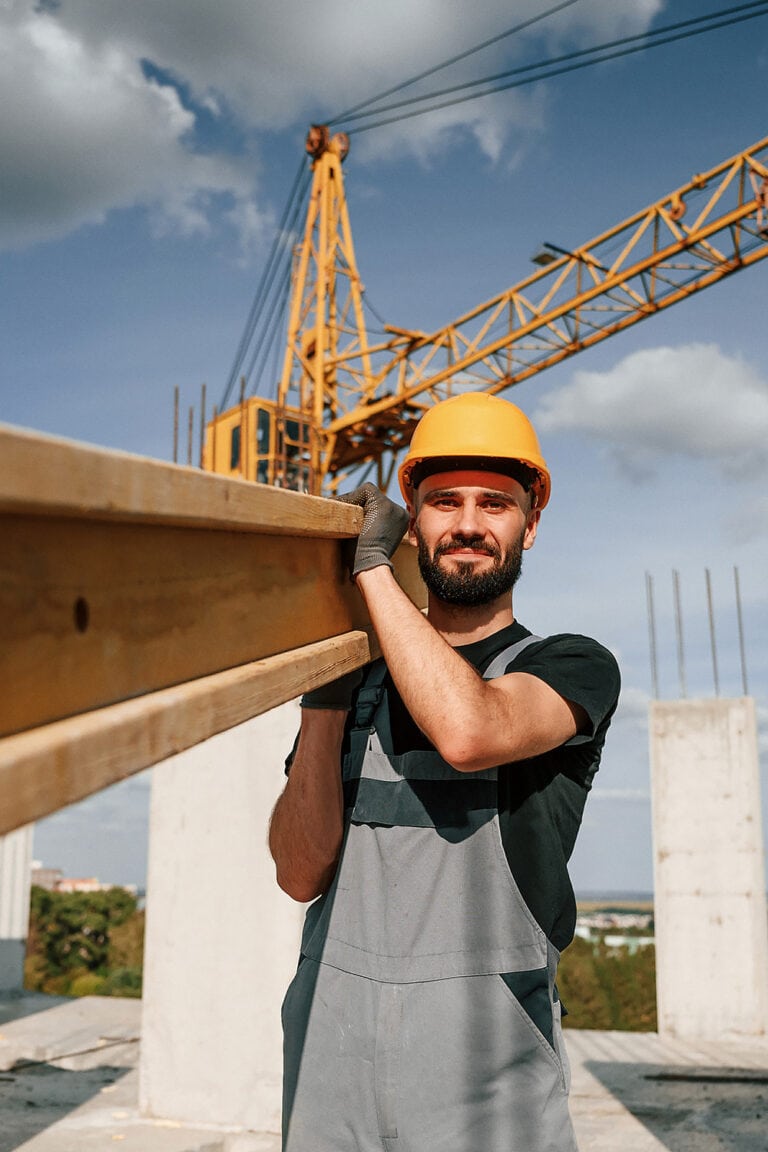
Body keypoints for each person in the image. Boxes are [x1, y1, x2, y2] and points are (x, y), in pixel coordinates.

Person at [269, 392, 620, 1152]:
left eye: (495, 504)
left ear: (531, 524)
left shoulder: (570, 666)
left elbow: (469, 731)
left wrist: (370, 578)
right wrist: (326, 696)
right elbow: (299, 872)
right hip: (332, 1045)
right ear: (413, 522)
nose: (467, 524)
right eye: (442, 502)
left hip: (485, 1062)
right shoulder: (354, 684)